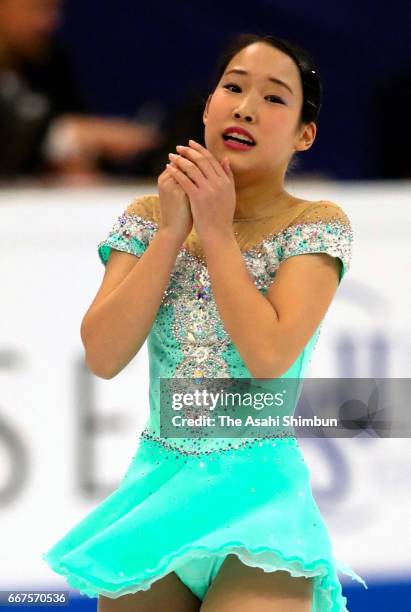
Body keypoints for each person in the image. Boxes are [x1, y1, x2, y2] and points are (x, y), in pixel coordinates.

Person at [41, 33, 368, 611]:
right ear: (208, 107)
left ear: (304, 134)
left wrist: (215, 232)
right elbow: (104, 354)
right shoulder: (148, 218)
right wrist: (173, 233)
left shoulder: (315, 224)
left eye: (273, 98)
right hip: (157, 493)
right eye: (234, 88)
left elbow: (268, 358)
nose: (245, 106)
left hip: (258, 501)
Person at [0, 0, 162, 179]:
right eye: (38, 8)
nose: (50, 22)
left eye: (54, 8)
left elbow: (77, 153)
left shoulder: (50, 63)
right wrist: (63, 136)